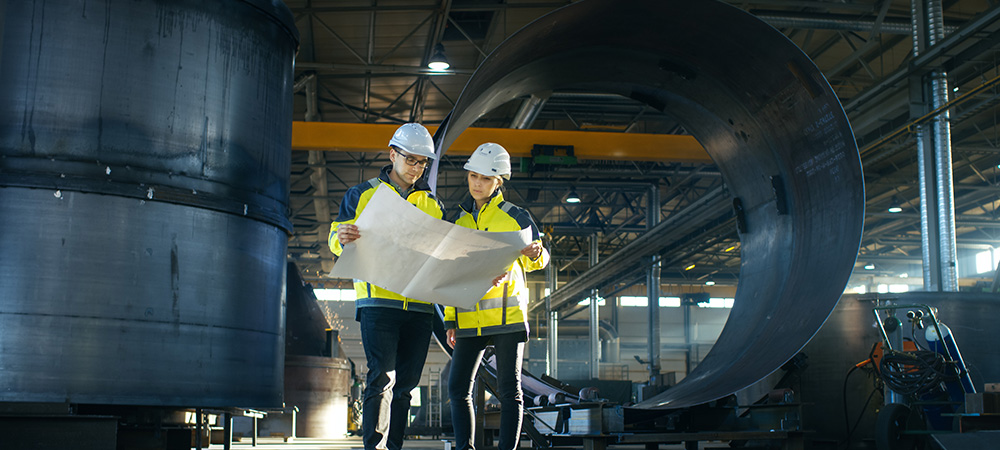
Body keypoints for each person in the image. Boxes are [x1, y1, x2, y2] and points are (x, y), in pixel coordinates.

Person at [329, 123, 444, 450]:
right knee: (382, 378)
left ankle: (394, 446)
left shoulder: (433, 204)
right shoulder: (362, 194)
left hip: (420, 307)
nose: (416, 168)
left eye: (422, 162)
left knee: (406, 386)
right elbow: (336, 236)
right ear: (392, 154)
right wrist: (340, 238)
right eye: (411, 159)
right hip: (378, 304)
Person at [444, 143, 550, 450]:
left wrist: (537, 253)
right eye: (473, 176)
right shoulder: (457, 221)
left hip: (507, 317)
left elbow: (540, 260)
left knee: (509, 392)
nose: (477, 183)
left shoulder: (516, 217)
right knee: (458, 389)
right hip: (468, 318)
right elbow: (450, 275)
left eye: (486, 178)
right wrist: (450, 320)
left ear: (499, 181)